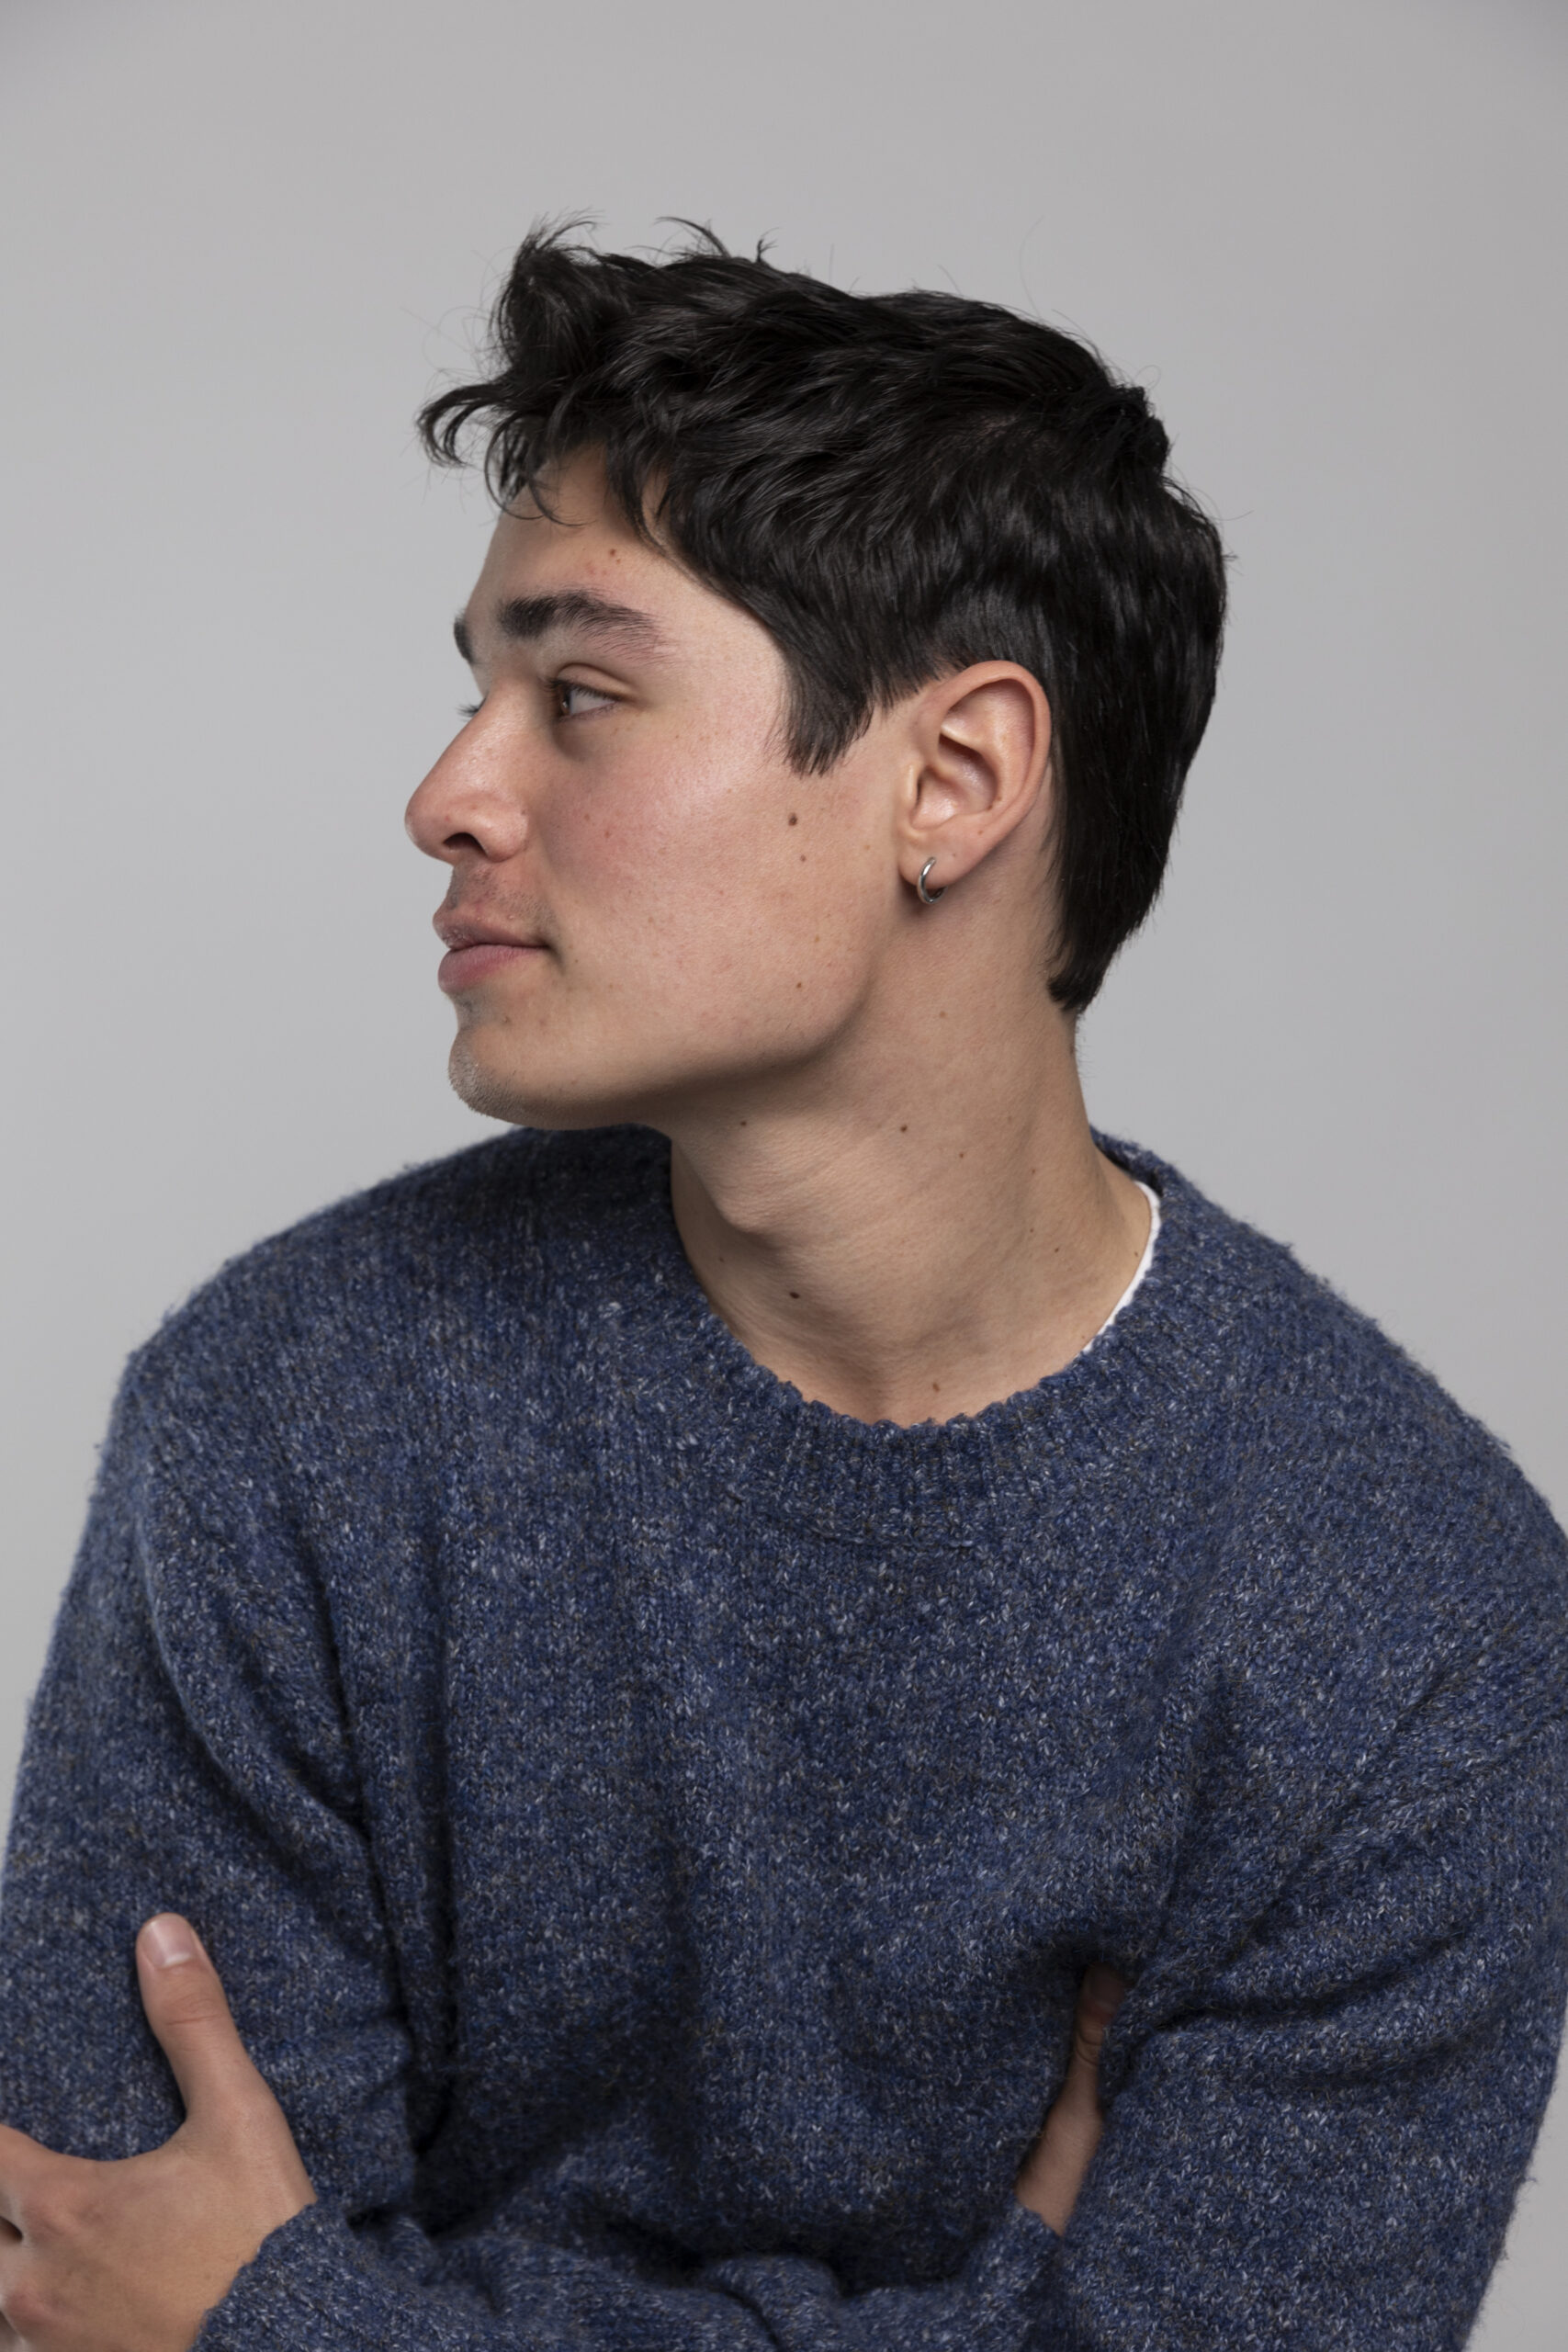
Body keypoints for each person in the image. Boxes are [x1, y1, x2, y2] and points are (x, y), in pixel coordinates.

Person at [0, 222, 1563, 2352]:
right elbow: (90, 2271)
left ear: (952, 780)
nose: (446, 794)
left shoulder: (1409, 1623)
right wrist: (999, 2316)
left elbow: (203, 2311)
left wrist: (300, 2317)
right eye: (473, 693)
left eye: (579, 696)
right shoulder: (283, 1423)